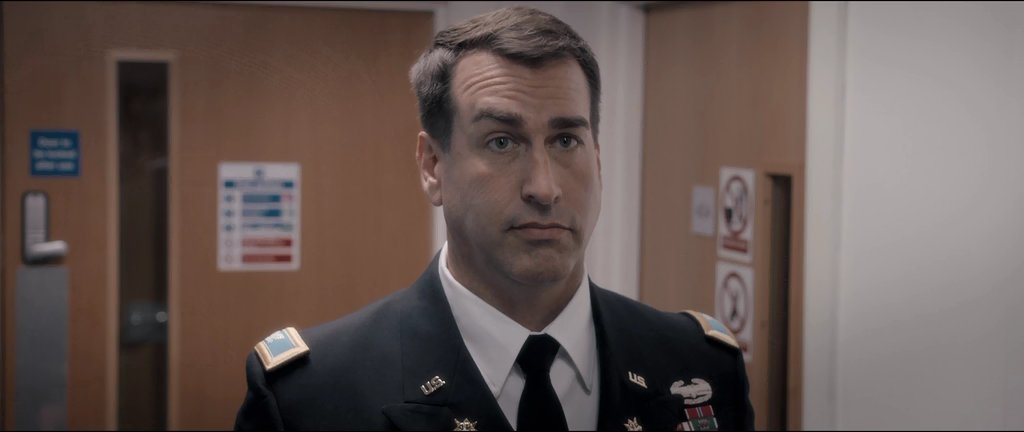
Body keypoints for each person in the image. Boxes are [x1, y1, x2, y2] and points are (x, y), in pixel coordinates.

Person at [234, 6, 753, 431]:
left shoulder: (699, 365)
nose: (544, 188)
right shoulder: (311, 395)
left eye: (566, 140)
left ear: (597, 158)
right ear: (432, 166)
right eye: (502, 142)